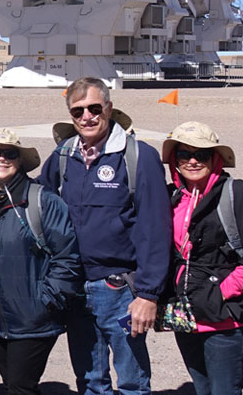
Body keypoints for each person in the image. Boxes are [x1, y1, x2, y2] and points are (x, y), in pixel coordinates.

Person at [38, 77, 170, 395]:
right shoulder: (63, 156)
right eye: (78, 111)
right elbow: (38, 199)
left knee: (132, 381)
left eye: (94, 108)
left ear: (108, 109)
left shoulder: (138, 157)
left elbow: (156, 228)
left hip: (121, 291)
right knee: (90, 381)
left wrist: (149, 295)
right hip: (76, 288)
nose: (87, 117)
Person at [159, 122, 243, 395]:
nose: (193, 161)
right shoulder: (170, 195)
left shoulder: (235, 192)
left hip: (225, 317)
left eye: (202, 154)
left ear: (216, 158)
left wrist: (221, 292)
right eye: (184, 154)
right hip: (186, 316)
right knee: (202, 388)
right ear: (175, 160)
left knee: (224, 391)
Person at [0, 128, 82, 395]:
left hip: (34, 320)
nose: (1, 159)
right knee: (14, 385)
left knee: (21, 387)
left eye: (9, 153)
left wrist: (47, 300)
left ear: (20, 161)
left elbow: (67, 256)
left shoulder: (42, 201)